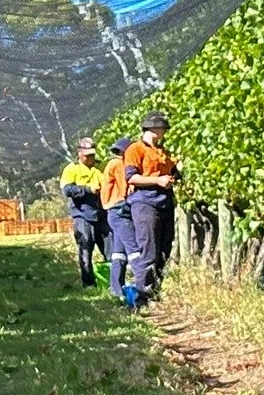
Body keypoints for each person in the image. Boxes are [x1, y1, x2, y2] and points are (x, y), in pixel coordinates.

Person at [124, 111, 180, 299]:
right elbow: (131, 177)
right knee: (149, 249)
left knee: (164, 248)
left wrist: (177, 173)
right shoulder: (135, 149)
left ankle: (155, 291)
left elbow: (173, 173)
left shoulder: (164, 152)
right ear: (154, 129)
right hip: (145, 203)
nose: (164, 132)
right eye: (163, 129)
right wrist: (157, 181)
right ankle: (143, 295)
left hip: (165, 202)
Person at [59, 137, 105, 287]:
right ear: (79, 153)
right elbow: (67, 189)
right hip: (82, 215)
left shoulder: (100, 167)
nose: (91, 158)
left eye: (92, 155)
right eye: (87, 155)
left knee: (111, 249)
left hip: (102, 213)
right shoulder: (72, 169)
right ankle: (88, 283)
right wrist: (88, 190)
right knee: (86, 249)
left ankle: (111, 281)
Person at [102, 136, 138, 303]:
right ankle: (145, 289)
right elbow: (126, 186)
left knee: (119, 253)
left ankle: (116, 290)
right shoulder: (119, 164)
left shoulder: (112, 163)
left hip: (113, 210)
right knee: (134, 250)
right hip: (120, 209)